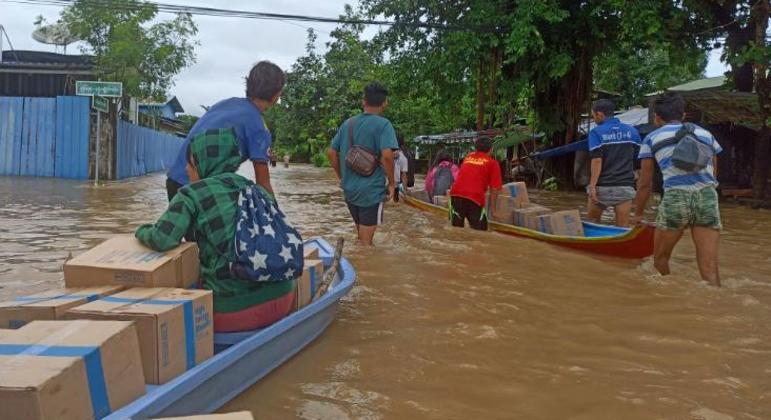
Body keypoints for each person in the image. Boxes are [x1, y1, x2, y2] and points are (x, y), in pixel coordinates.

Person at [136, 129, 296, 332]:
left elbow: (162, 239)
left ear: (203, 163)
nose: (186, 169)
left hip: (234, 312)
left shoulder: (190, 194)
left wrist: (141, 231)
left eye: (190, 162)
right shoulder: (256, 189)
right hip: (285, 298)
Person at [633, 92, 723, 287]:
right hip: (707, 196)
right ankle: (715, 304)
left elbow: (645, 184)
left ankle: (667, 301)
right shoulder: (706, 135)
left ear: (657, 118)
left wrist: (638, 214)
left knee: (660, 260)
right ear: (683, 115)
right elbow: (714, 173)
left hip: (675, 198)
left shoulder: (651, 138)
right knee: (710, 269)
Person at [165, 61, 285, 201]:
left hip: (174, 181)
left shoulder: (225, 104)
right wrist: (278, 218)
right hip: (198, 191)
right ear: (276, 96)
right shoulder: (259, 128)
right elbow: (263, 185)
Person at [328, 82, 398, 246]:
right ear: (384, 103)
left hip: (350, 190)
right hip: (371, 192)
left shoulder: (348, 124)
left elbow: (331, 153)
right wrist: (393, 184)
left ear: (363, 101)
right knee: (365, 245)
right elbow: (387, 156)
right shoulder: (384, 125)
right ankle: (363, 270)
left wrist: (342, 177)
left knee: (360, 237)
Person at [586, 99, 642, 227]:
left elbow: (596, 160)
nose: (594, 119)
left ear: (600, 114)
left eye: (593, 115)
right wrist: (638, 184)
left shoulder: (596, 132)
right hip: (625, 187)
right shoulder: (632, 132)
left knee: (592, 226)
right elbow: (638, 161)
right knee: (622, 228)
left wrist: (592, 186)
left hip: (601, 187)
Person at [449, 137, 502, 230]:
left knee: (456, 229)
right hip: (474, 198)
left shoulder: (468, 157)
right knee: (481, 232)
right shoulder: (493, 163)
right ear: (491, 149)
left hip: (455, 195)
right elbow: (494, 188)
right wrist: (494, 211)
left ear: (475, 148)